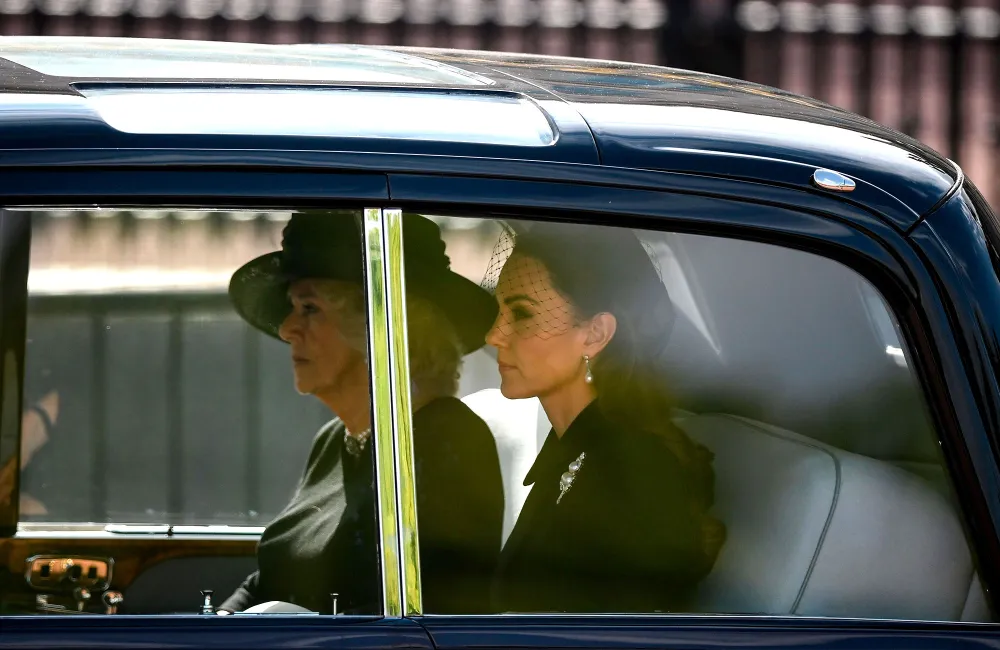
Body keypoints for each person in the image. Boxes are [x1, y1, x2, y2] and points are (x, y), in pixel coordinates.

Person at [220, 211, 504, 615]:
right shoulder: (334, 439)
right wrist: (221, 622)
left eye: (310, 308)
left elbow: (436, 610)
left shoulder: (449, 440)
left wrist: (300, 629)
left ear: (381, 330)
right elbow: (271, 579)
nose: (286, 329)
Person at [485, 221, 725, 614]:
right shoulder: (579, 446)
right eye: (498, 312)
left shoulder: (636, 471)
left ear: (595, 334)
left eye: (523, 314)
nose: (493, 335)